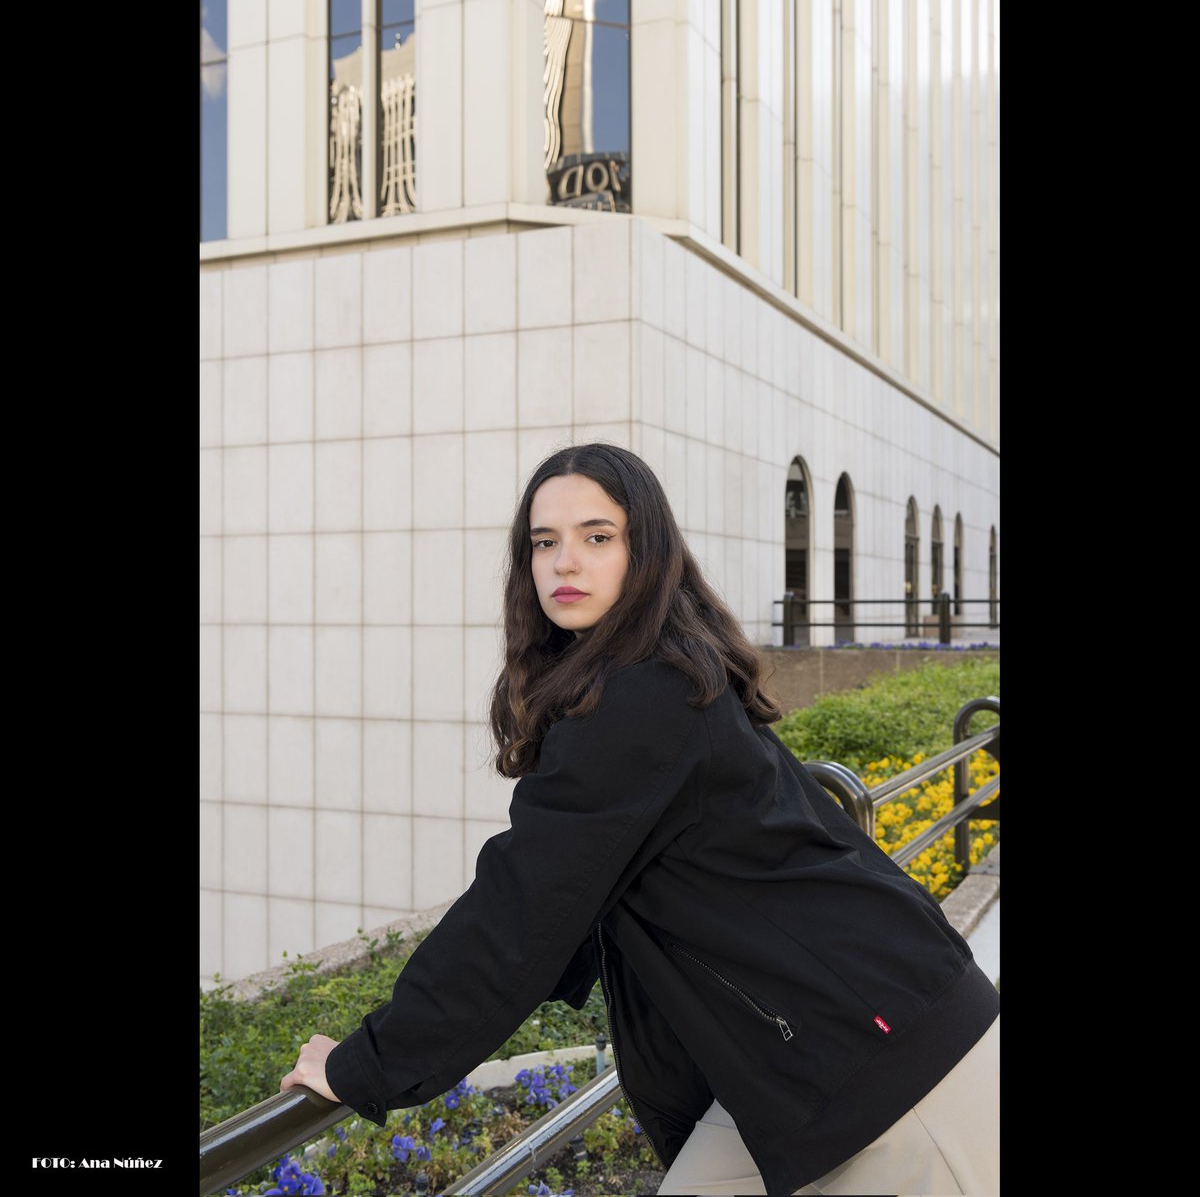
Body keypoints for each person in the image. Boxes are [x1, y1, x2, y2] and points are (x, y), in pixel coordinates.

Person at [281, 442, 999, 1195]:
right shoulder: (656, 670)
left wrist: (364, 1064)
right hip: (818, 1049)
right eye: (544, 542)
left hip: (896, 1070)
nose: (565, 562)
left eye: (598, 537)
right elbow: (575, 893)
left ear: (645, 552)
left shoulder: (643, 695)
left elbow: (522, 908)